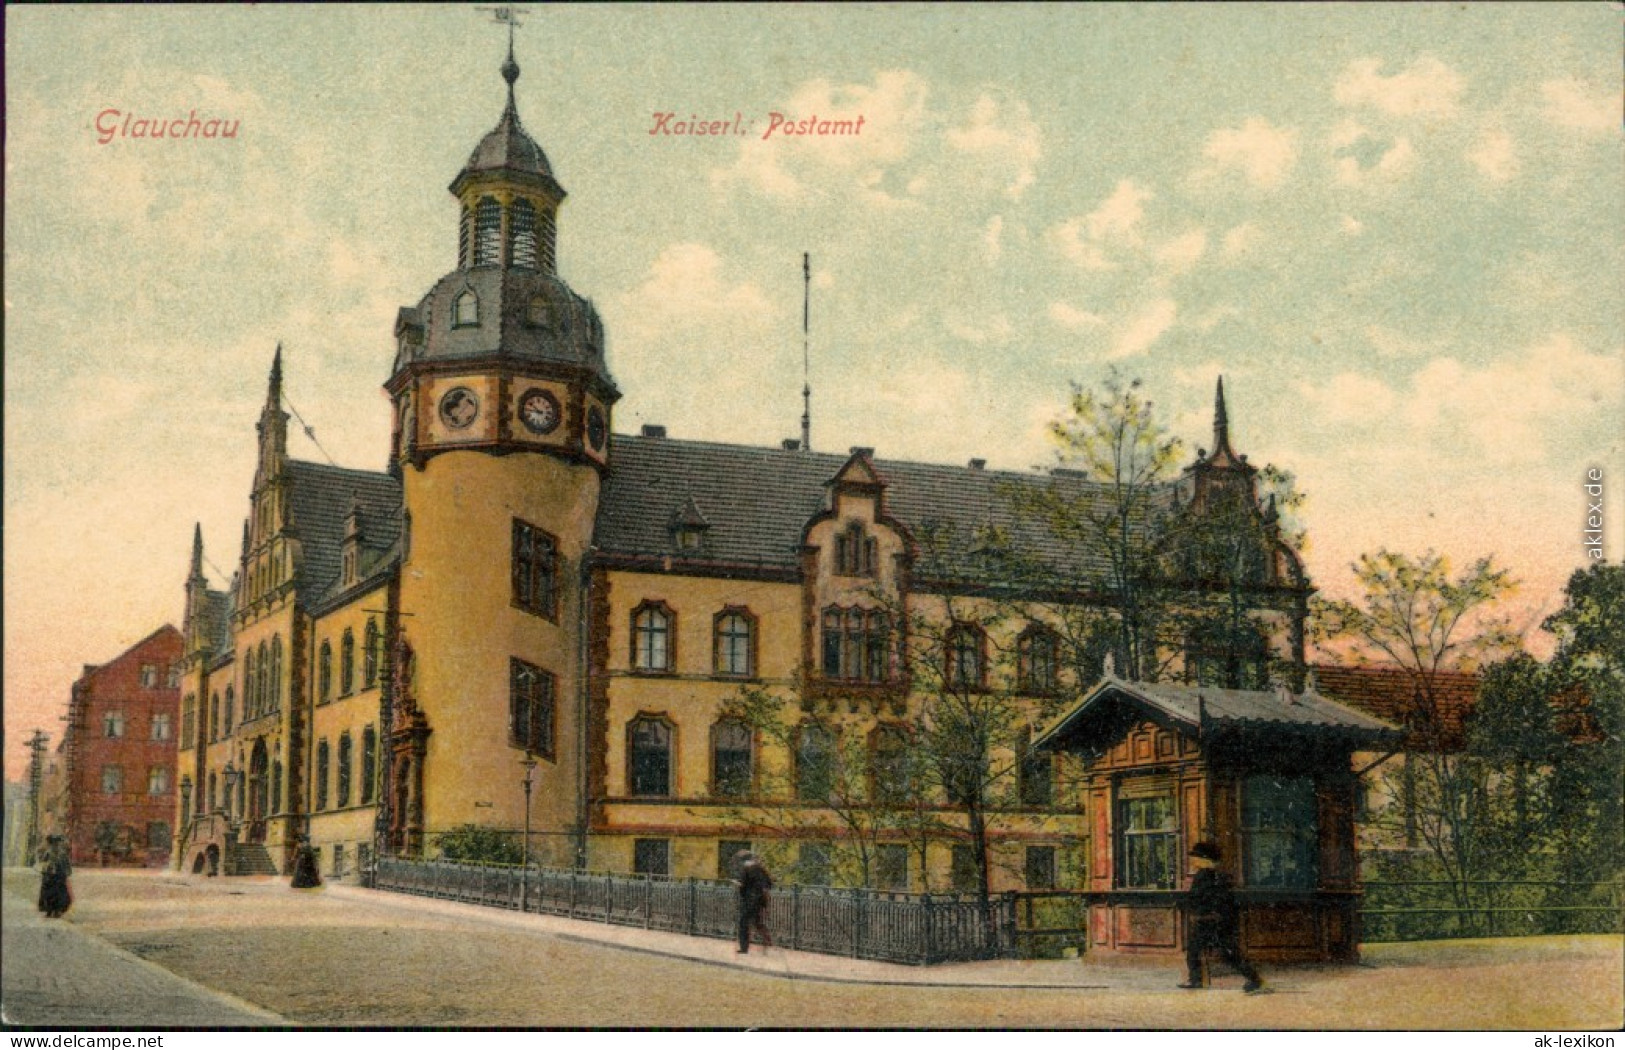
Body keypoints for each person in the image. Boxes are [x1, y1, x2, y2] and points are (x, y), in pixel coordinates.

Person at [1180, 840, 1265, 993]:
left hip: (1206, 920)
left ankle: (1197, 980)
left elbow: (1198, 898)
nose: (1192, 860)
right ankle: (1254, 979)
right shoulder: (1219, 875)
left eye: (1195, 857)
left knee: (1195, 950)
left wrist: (1193, 905)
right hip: (1219, 920)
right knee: (1228, 953)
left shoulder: (1203, 875)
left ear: (1203, 859)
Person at [734, 851, 773, 954]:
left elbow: (742, 884)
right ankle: (766, 939)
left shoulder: (746, 869)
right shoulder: (762, 870)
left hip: (749, 900)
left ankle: (744, 948)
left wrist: (737, 884)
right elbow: (769, 884)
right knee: (757, 922)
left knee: (744, 924)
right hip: (760, 900)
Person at [37, 835, 73, 918]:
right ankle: (51, 911)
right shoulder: (51, 852)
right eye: (54, 843)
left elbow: (66, 864)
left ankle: (54, 911)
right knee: (52, 894)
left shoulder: (58, 853)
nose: (55, 845)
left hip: (55, 876)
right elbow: (43, 861)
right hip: (52, 876)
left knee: (55, 894)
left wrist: (67, 872)